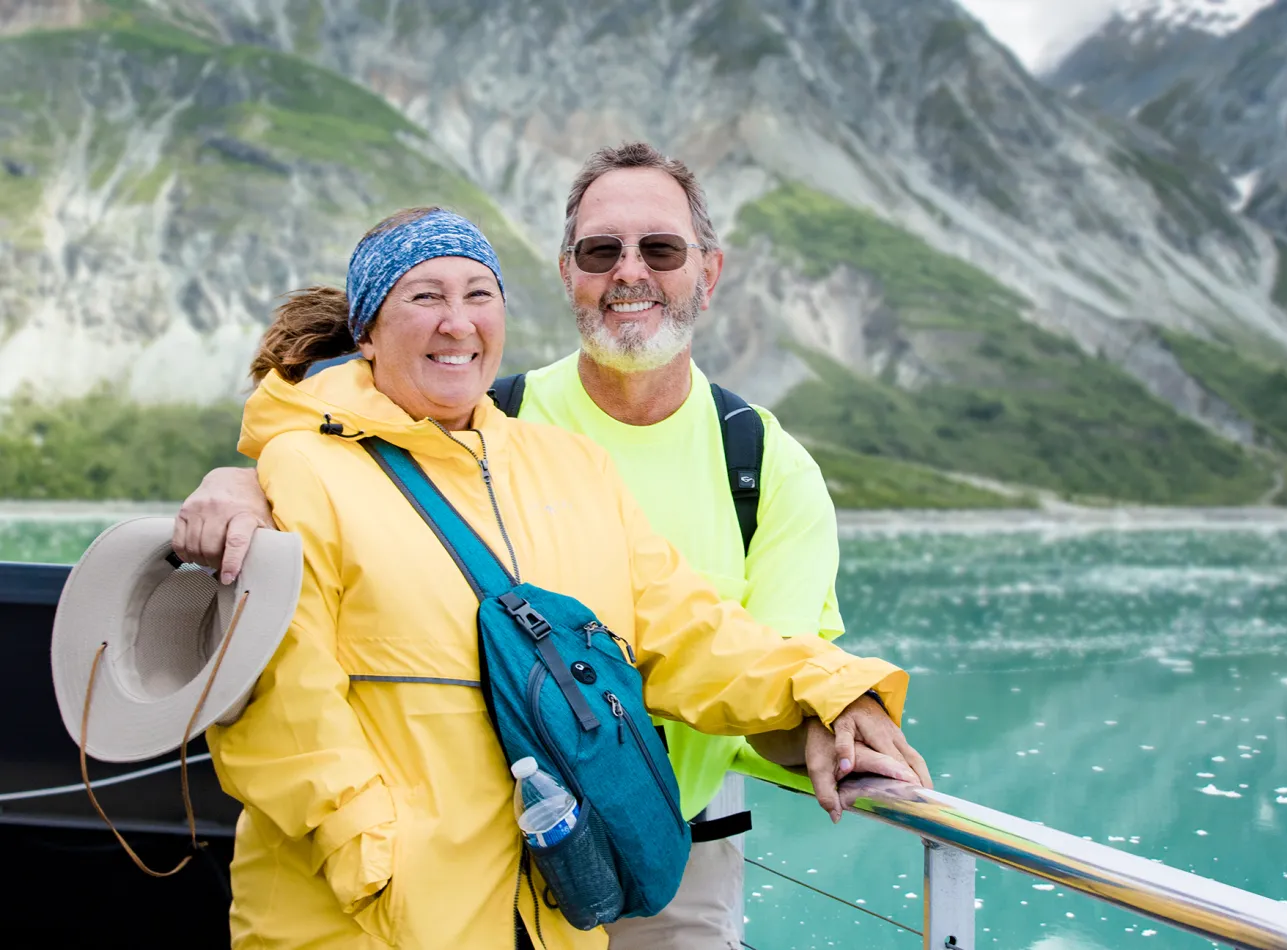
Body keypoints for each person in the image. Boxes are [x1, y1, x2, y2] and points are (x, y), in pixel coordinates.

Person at [179, 143, 931, 948]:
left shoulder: (566, 468)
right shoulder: (303, 472)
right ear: (366, 329)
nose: (456, 322)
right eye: (423, 295)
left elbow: (692, 630)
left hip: (545, 912)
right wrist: (383, 867)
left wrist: (837, 690)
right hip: (357, 924)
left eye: (478, 294)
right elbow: (278, 715)